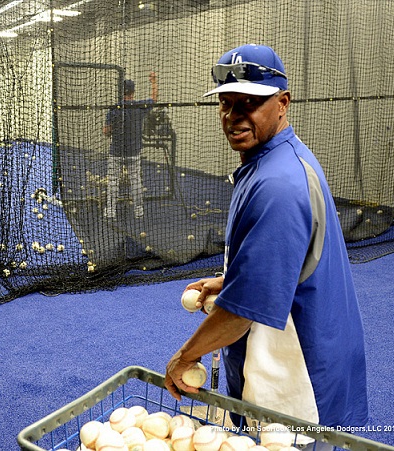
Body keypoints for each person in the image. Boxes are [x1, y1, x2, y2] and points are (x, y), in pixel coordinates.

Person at [164, 45, 368, 448]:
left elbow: (241, 313)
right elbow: (284, 263)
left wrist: (184, 358)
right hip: (305, 345)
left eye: (250, 102)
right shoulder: (272, 160)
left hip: (299, 373)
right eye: (226, 103)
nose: (233, 116)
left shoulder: (276, 183)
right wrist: (231, 280)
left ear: (282, 103)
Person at [103, 72, 158, 219]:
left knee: (113, 180)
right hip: (134, 152)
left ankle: (110, 211)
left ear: (121, 92)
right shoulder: (139, 106)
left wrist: (112, 129)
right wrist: (153, 81)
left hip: (116, 152)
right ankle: (138, 210)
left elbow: (105, 131)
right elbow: (154, 99)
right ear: (133, 92)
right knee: (135, 180)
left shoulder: (115, 109)